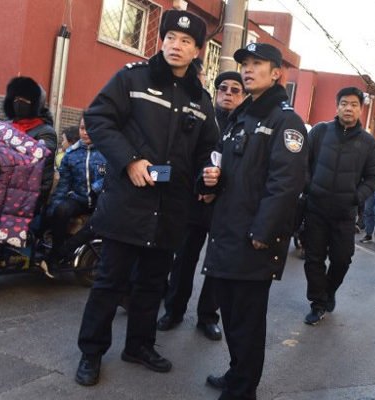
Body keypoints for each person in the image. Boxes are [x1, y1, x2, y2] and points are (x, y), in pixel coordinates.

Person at [74, 9, 219, 386]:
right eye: (171, 37)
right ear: (161, 40)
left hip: (171, 209)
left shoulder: (200, 99)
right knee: (110, 282)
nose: (176, 45)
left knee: (152, 285)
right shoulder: (131, 78)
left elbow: (209, 148)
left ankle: (139, 345)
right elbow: (99, 119)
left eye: (186, 41)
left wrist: (209, 177)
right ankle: (91, 352)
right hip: (129, 201)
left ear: (197, 51)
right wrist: (129, 160)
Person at [200, 42, 308, 399]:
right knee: (231, 315)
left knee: (246, 320)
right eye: (244, 63)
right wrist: (211, 181)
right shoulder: (242, 116)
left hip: (252, 238)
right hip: (226, 231)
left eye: (256, 63)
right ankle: (236, 375)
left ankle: (243, 390)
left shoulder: (284, 120)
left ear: (276, 72)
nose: (247, 69)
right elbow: (231, 172)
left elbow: (286, 183)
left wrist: (263, 232)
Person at [156, 71, 246, 340]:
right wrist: (201, 186)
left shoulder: (247, 124)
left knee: (217, 264)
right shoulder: (200, 117)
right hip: (195, 200)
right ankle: (173, 310)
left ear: (243, 96)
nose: (228, 94)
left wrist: (217, 189)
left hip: (225, 205)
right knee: (183, 261)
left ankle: (208, 316)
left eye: (235, 90)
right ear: (216, 92)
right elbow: (185, 156)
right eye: (223, 88)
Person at [302, 86, 375, 325]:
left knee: (342, 259)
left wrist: (356, 197)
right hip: (315, 209)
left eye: (354, 104)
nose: (348, 108)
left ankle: (329, 290)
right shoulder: (320, 132)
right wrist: (309, 187)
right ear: (337, 106)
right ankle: (317, 302)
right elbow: (303, 163)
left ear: (360, 109)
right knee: (313, 259)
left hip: (345, 214)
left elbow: (374, 178)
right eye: (344, 103)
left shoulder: (368, 142)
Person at [46, 119, 106, 265]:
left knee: (95, 224)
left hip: (102, 201)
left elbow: (113, 177)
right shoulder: (71, 154)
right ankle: (56, 250)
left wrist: (96, 188)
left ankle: (63, 252)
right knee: (60, 210)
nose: (85, 132)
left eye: (90, 128)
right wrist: (53, 207)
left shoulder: (107, 152)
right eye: (82, 128)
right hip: (79, 199)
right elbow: (63, 185)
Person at [3, 76, 57, 208]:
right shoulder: (4, 126)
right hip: (2, 189)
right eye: (16, 99)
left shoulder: (46, 132)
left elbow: (40, 158)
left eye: (25, 100)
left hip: (30, 195)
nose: (19, 103)